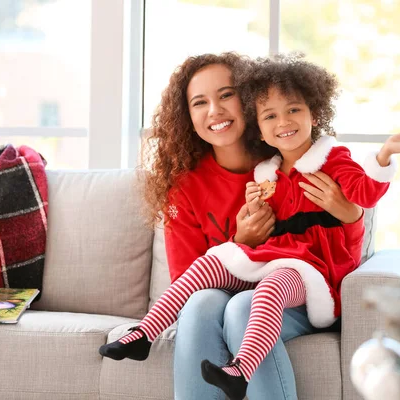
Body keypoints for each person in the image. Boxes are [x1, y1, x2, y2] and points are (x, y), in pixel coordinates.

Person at [102, 53, 365, 400]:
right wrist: (240, 240)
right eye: (200, 102)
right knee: (201, 305)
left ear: (250, 102)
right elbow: (188, 282)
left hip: (296, 295)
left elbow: (336, 244)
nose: (215, 110)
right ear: (188, 117)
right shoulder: (185, 187)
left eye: (226, 95)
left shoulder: (285, 161)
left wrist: (352, 212)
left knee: (243, 307)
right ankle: (144, 335)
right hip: (223, 289)